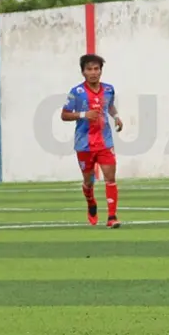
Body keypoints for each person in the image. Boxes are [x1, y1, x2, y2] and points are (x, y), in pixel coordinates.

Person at [60, 54, 124, 228]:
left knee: (110, 178)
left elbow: (108, 105)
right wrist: (83, 115)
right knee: (88, 182)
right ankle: (91, 202)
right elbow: (64, 115)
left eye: (96, 69)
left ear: (101, 71)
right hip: (84, 144)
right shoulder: (76, 93)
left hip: (105, 142)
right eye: (89, 69)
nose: (93, 72)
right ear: (83, 72)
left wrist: (116, 117)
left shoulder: (109, 89)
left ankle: (112, 217)